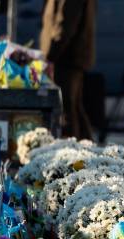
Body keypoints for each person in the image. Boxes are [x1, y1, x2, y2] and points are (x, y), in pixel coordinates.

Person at [40, 0, 97, 140]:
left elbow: (65, 24)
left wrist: (50, 56)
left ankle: (76, 154)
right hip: (68, 56)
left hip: (66, 57)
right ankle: (88, 152)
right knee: (73, 107)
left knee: (66, 110)